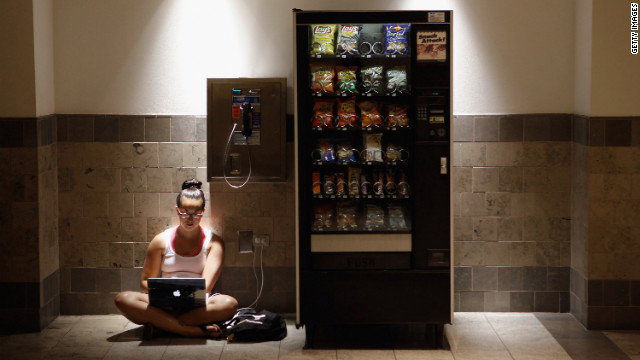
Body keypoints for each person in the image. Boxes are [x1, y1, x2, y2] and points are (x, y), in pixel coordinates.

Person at [115, 179, 238, 339]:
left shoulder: (214, 243)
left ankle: (162, 326)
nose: (190, 218)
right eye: (185, 212)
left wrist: (182, 297)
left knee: (229, 304)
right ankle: (189, 330)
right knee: (123, 299)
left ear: (203, 211)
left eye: (196, 213)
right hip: (164, 303)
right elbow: (144, 282)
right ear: (177, 210)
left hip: (196, 304)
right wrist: (166, 295)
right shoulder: (161, 241)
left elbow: (206, 287)